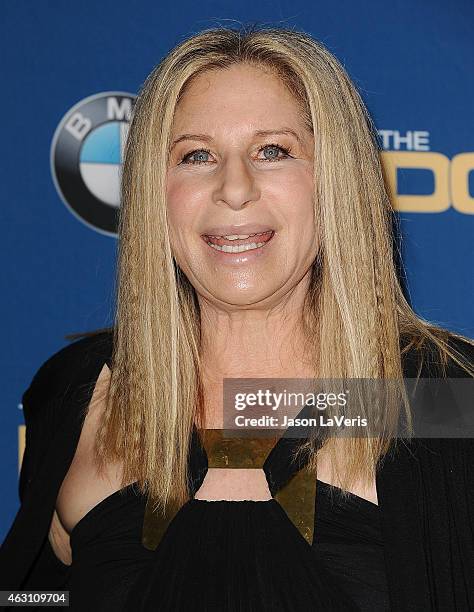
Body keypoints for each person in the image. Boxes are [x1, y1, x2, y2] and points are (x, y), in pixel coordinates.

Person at [1, 24, 474, 612]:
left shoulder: (446, 398)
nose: (234, 187)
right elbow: (34, 596)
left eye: (272, 151)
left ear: (336, 182)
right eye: (196, 156)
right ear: (154, 190)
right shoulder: (78, 397)